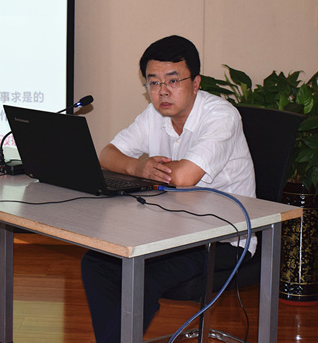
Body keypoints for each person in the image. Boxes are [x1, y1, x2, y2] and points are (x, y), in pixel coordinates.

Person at [80, 35, 257, 343]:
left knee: (143, 276)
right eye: (153, 82)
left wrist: (145, 168)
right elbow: (106, 155)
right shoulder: (154, 115)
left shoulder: (221, 116)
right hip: (171, 230)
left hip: (223, 238)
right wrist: (138, 167)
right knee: (96, 263)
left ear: (196, 83)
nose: (162, 91)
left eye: (173, 81)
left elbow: (185, 177)